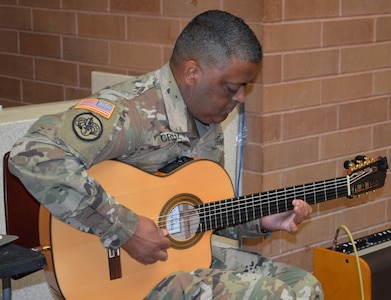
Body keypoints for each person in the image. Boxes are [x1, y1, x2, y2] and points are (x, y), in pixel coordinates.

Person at [9, 10, 323, 299]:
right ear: (192, 73)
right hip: (127, 279)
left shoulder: (209, 120)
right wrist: (126, 228)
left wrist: (260, 220)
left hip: (179, 263)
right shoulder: (129, 112)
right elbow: (31, 155)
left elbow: (197, 215)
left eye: (245, 87)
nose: (240, 98)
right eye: (232, 87)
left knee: (305, 287)